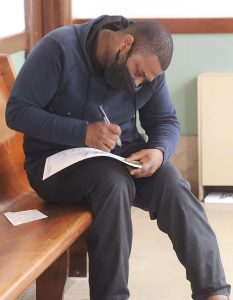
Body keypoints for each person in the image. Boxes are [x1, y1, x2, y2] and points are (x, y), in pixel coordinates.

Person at [6, 15, 230, 300]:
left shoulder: (150, 69)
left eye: (145, 79)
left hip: (120, 157)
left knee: (171, 181)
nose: (137, 83)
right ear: (126, 43)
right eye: (137, 72)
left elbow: (165, 121)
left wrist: (159, 152)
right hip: (54, 164)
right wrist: (82, 133)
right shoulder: (58, 49)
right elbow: (17, 111)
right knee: (112, 183)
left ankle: (213, 292)